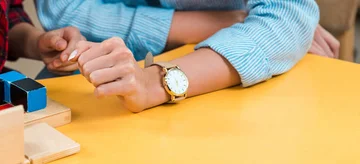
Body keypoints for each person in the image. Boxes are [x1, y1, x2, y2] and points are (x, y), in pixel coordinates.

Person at [37, 0, 327, 112]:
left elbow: (290, 13)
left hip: (229, 87)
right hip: (88, 81)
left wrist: (154, 83)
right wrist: (224, 21)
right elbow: (63, 9)